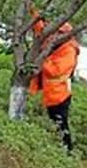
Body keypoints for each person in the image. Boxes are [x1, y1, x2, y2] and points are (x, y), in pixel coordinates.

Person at [29, 12, 80, 153]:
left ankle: (67, 149)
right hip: (52, 91)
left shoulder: (69, 50)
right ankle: (60, 147)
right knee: (54, 120)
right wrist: (34, 12)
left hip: (60, 93)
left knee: (60, 122)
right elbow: (40, 30)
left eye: (58, 33)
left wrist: (43, 59)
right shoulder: (56, 45)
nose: (54, 36)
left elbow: (55, 71)